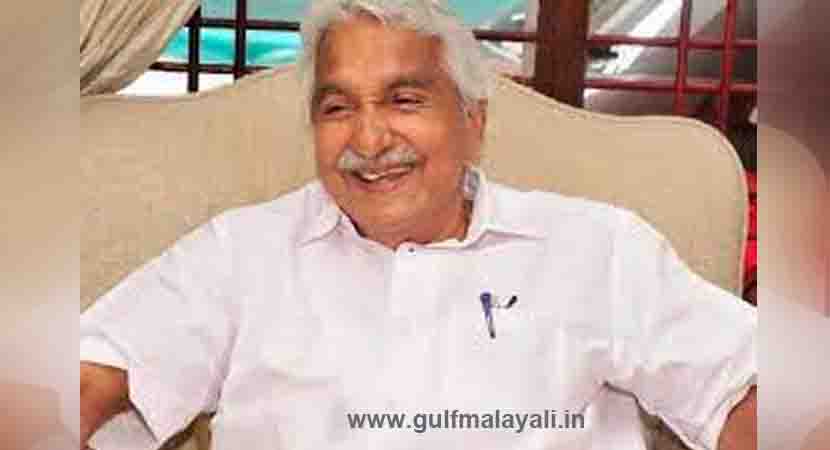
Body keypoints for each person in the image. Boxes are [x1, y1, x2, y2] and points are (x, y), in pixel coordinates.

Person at [80, 1, 757, 449]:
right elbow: (88, 377)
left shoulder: (598, 250)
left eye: (404, 100)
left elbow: (743, 390)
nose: (370, 140)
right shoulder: (239, 254)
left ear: (473, 122)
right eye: (338, 109)